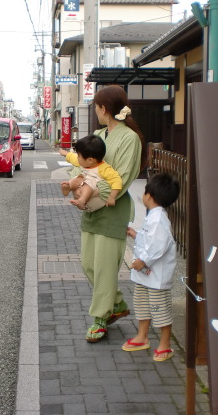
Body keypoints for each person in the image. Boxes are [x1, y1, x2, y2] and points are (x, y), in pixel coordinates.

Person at [73, 85, 146, 342]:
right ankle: (117, 305)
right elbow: (81, 162)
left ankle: (101, 318)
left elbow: (123, 177)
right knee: (88, 264)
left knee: (104, 268)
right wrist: (79, 186)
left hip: (112, 208)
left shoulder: (129, 138)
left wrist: (89, 193)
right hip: (91, 208)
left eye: (96, 106)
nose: (95, 111)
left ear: (104, 109)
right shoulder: (97, 133)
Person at [121, 173, 180, 362]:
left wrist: (143, 261)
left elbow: (158, 245)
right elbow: (149, 239)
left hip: (155, 275)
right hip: (145, 275)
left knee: (160, 308)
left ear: (149, 195)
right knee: (142, 305)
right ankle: (142, 336)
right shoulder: (154, 217)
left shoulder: (159, 220)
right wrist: (136, 234)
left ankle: (165, 345)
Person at [59, 135, 122, 212]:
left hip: (91, 186)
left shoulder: (104, 168)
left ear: (90, 160)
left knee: (88, 185)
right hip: (83, 180)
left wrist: (112, 197)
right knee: (78, 178)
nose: (77, 157)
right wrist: (65, 153)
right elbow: (72, 157)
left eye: (79, 155)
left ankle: (82, 200)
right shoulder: (83, 162)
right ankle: (69, 186)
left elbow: (116, 180)